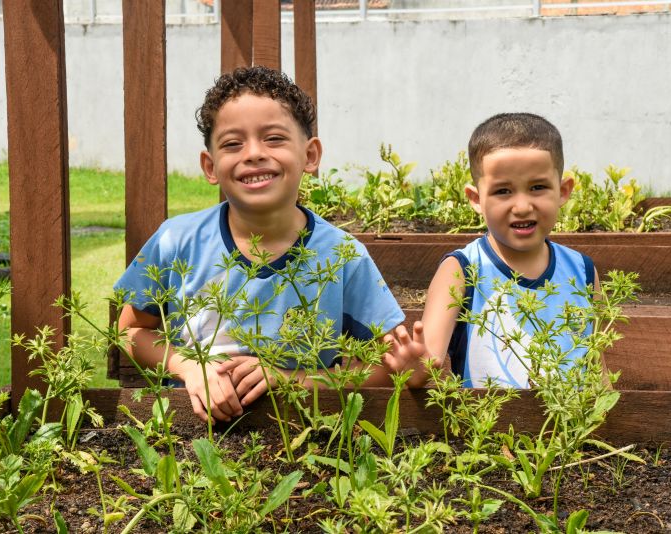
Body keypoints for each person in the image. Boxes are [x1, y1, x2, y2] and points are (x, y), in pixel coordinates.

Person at [115, 66, 419, 423]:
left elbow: (386, 365)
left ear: (310, 156)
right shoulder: (176, 240)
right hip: (191, 433)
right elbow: (130, 330)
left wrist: (291, 379)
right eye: (233, 144)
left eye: (274, 138)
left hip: (303, 434)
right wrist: (190, 367)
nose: (254, 153)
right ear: (210, 166)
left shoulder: (342, 256)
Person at [392, 112, 599, 388]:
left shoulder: (582, 271)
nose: (523, 206)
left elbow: (597, 372)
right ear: (476, 199)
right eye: (503, 191)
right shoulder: (461, 270)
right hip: (484, 430)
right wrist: (415, 368)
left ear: (563, 191)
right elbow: (427, 365)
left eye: (537, 187)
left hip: (570, 430)